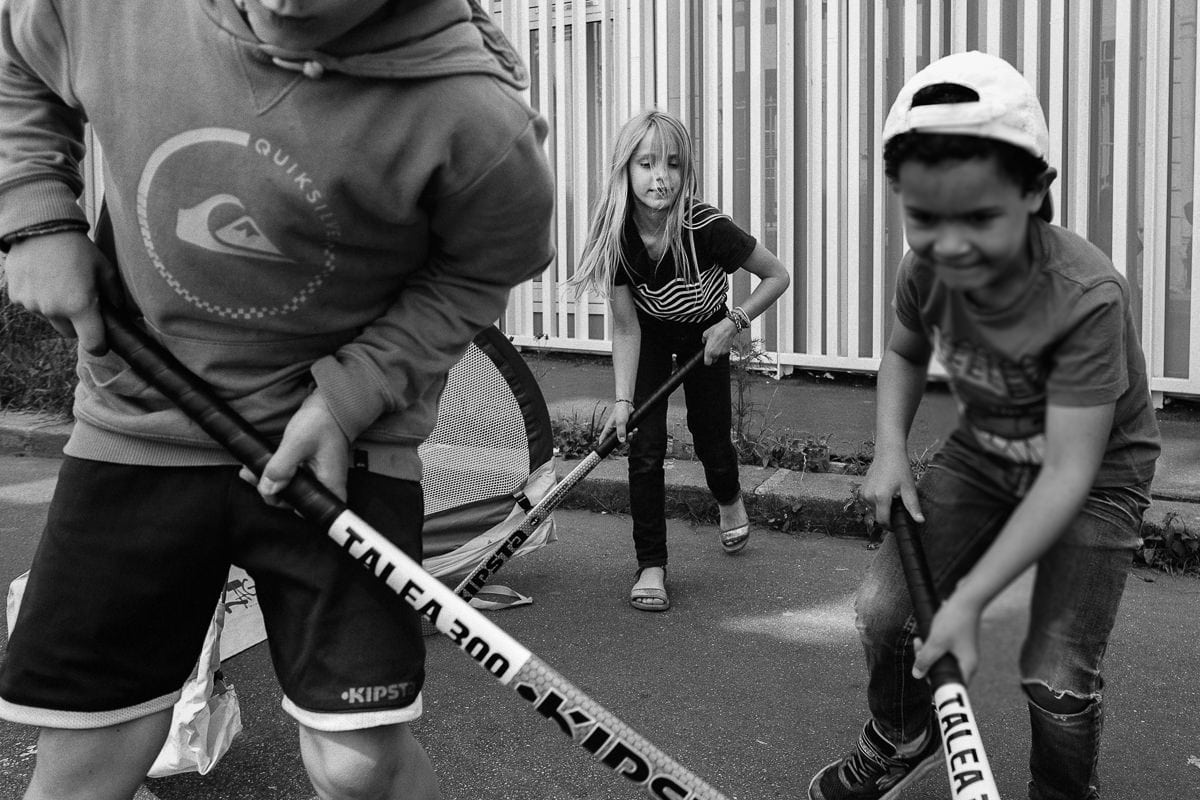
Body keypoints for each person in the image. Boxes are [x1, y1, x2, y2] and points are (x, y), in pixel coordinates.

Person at [0, 1, 554, 799]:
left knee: (357, 767)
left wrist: (352, 394)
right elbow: (17, 64)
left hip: (342, 450)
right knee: (88, 758)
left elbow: (485, 266)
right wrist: (35, 215)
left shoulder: (475, 115)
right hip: (136, 422)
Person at [807, 51, 1160, 800]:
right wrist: (892, 452)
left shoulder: (1089, 296)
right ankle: (904, 737)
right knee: (886, 609)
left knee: (1056, 672)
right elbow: (905, 349)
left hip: (1093, 475)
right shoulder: (926, 267)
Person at [565, 109, 789, 613]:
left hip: (707, 328)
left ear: (686, 173)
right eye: (646, 164)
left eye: (671, 164)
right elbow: (625, 327)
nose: (659, 176)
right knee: (643, 447)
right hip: (648, 333)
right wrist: (623, 401)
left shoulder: (705, 227)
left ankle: (728, 496)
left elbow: (777, 275)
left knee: (711, 437)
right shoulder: (617, 236)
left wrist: (733, 322)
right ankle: (651, 565)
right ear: (626, 171)